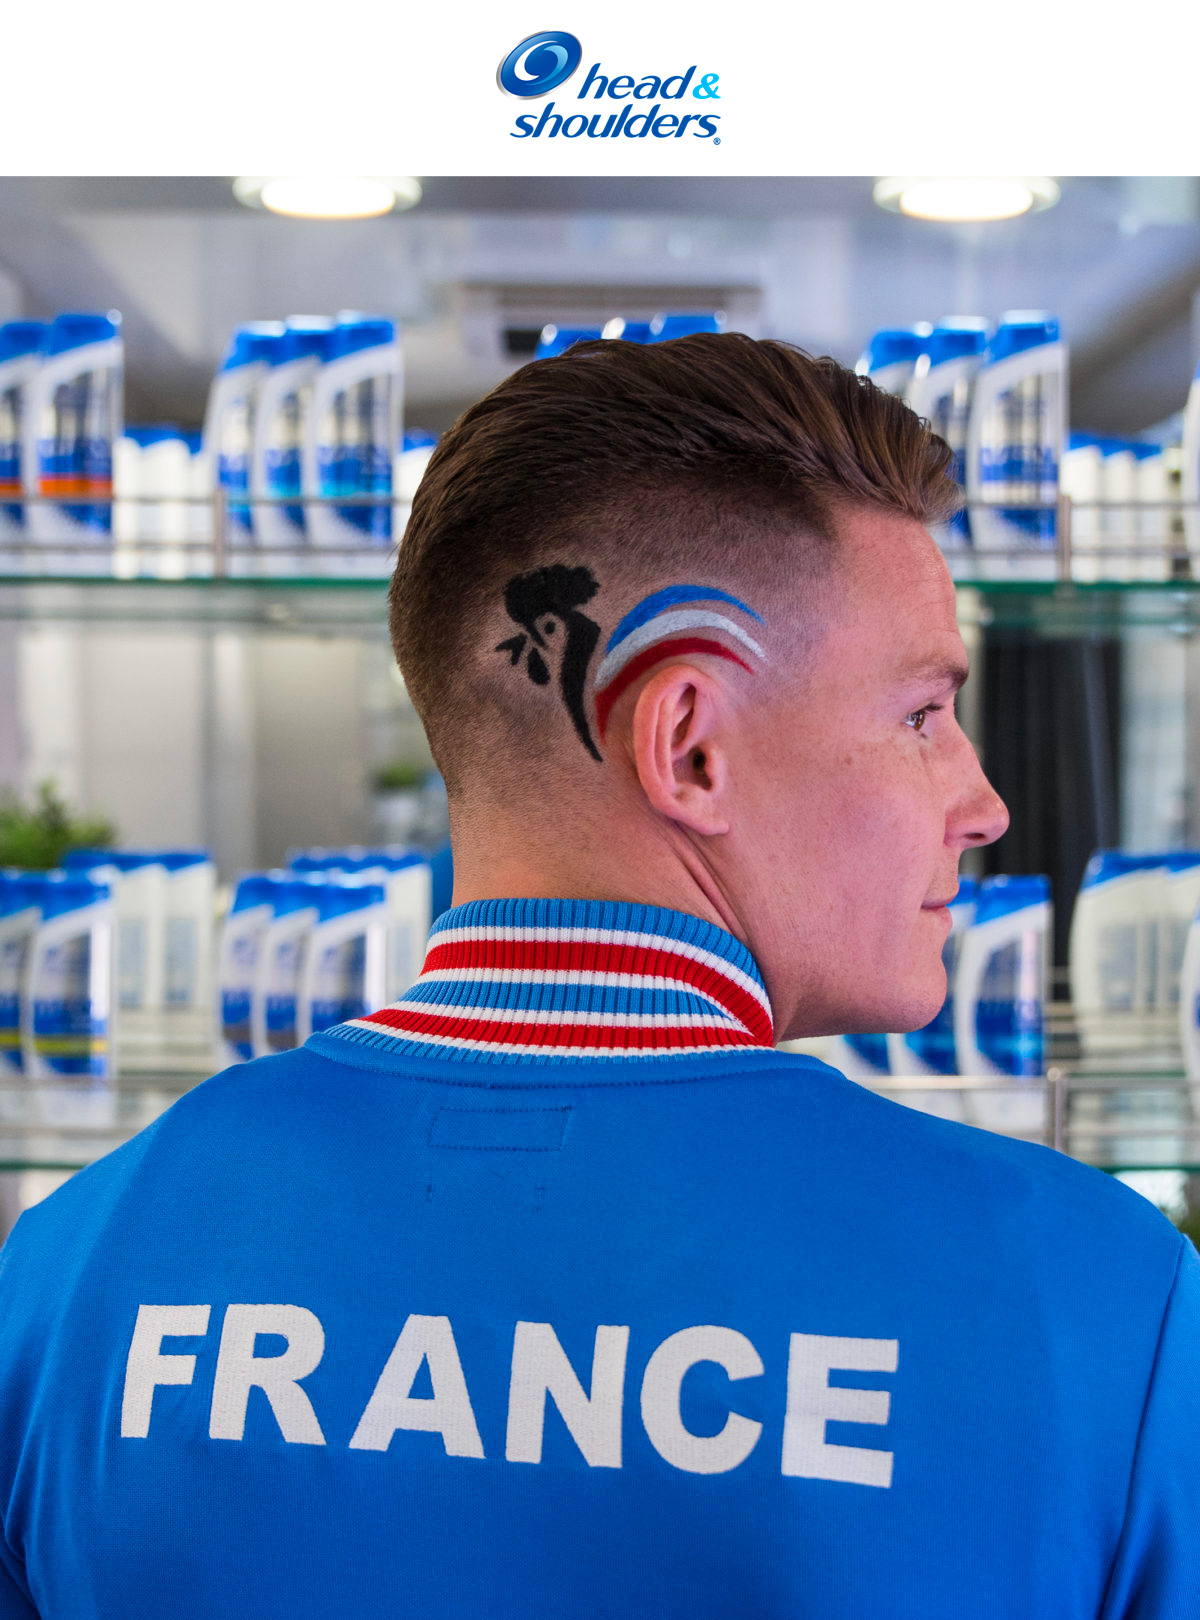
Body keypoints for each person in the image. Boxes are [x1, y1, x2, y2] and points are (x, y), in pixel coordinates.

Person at [0, 334, 1196, 1619]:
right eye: (920, 715)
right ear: (689, 748)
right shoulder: (1097, 1312)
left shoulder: (71, 1273)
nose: (983, 803)